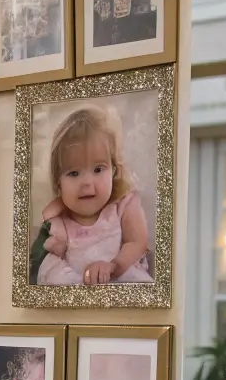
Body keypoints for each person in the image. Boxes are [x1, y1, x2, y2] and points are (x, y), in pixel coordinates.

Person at [36, 104, 152, 286]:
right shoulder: (61, 219)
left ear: (114, 170)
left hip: (120, 282)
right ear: (58, 182)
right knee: (50, 270)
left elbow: (138, 242)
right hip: (79, 304)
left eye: (98, 169)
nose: (87, 183)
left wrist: (114, 266)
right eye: (73, 173)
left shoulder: (123, 205)